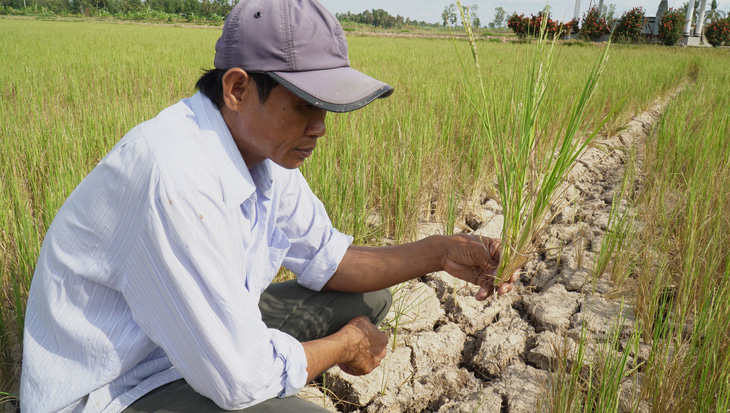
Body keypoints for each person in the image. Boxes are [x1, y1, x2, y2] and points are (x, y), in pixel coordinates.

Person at [19, 0, 516, 412]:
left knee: (368, 301)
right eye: (304, 104)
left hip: (182, 343)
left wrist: (442, 253)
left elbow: (331, 259)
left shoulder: (266, 157)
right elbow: (239, 379)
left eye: (327, 107)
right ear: (237, 89)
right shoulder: (173, 176)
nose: (320, 126)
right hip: (118, 386)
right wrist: (343, 346)